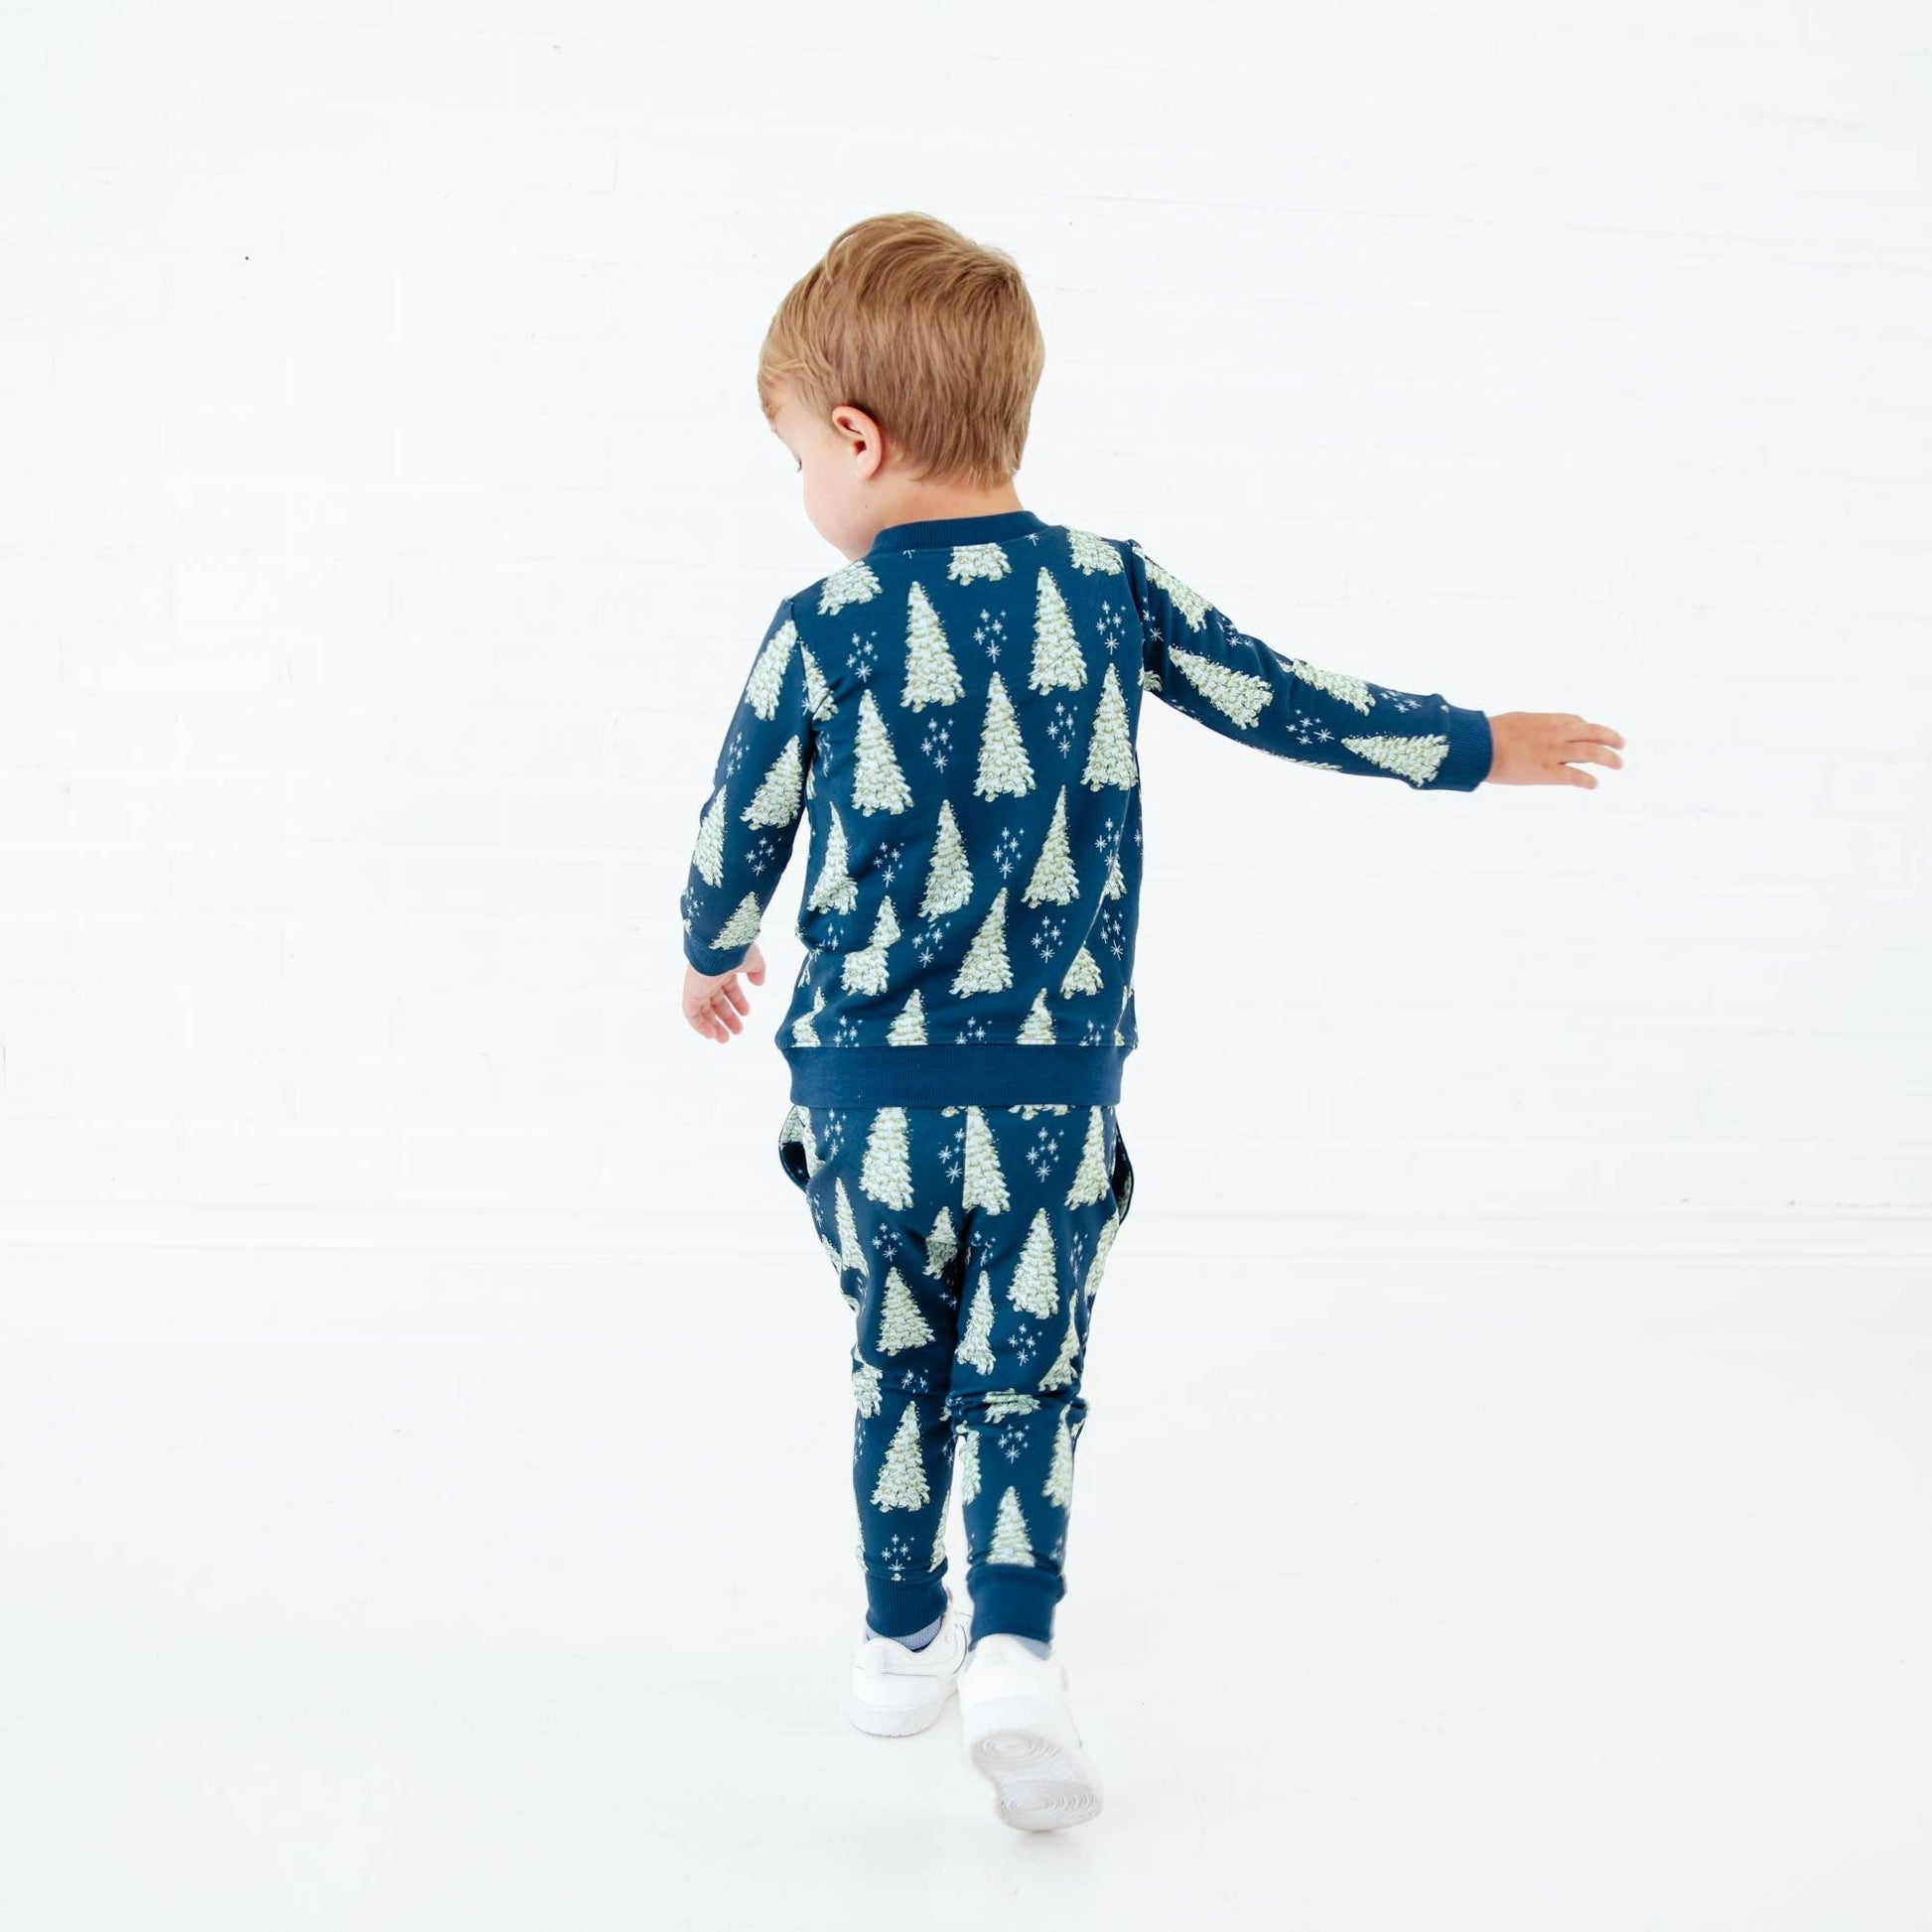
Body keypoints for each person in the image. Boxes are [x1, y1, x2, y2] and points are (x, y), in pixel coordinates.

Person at [676, 211, 1625, 1832]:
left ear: (856, 435)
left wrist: (712, 953)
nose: (805, 492)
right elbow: (1282, 698)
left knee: (892, 1357)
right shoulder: (1106, 588)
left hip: (862, 1098)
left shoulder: (817, 624)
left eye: (796, 459)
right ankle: (1013, 1657)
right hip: (1047, 1094)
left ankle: (898, 1646)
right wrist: (1474, 745)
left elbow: (735, 828)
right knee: (1023, 1373)